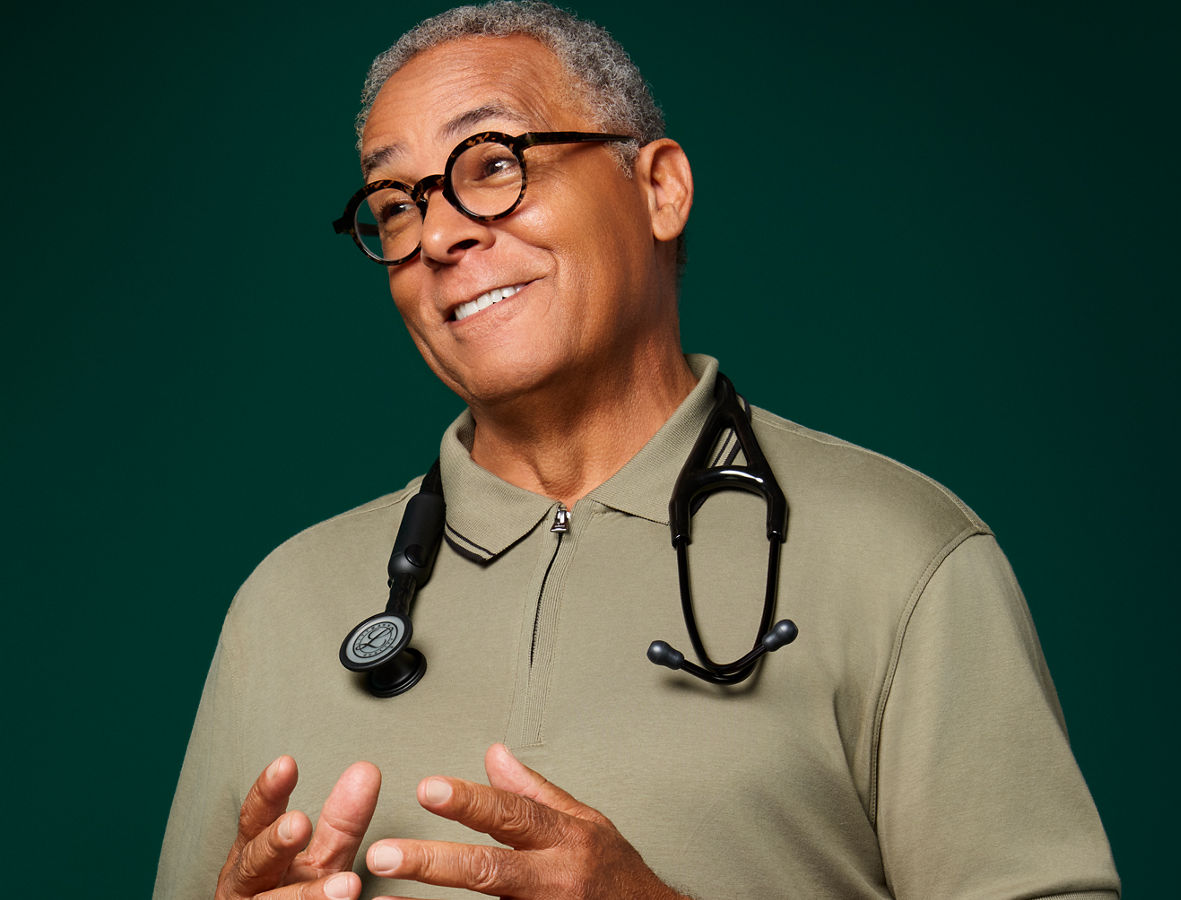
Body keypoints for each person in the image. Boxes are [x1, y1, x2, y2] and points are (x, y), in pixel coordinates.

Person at [154, 3, 1121, 898]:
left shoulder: (904, 560)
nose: (439, 233)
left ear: (659, 188)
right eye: (396, 204)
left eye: (492, 163)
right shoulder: (283, 606)